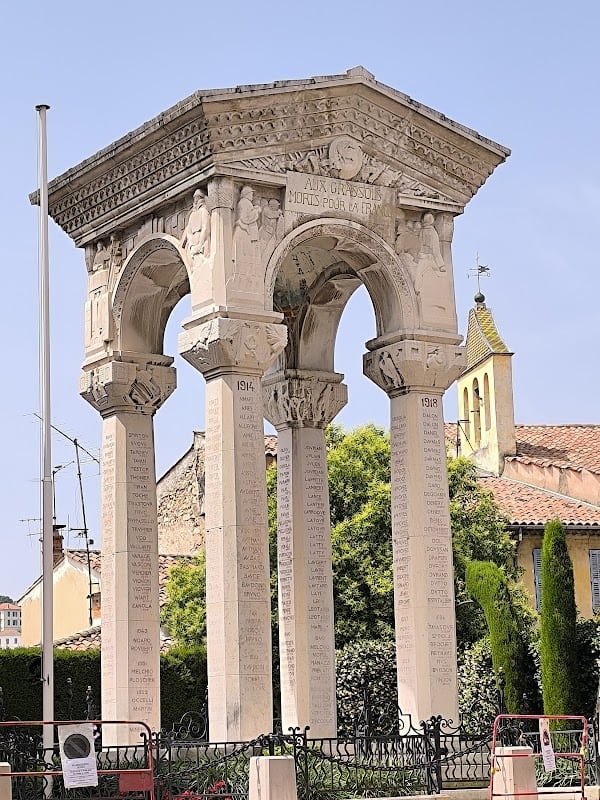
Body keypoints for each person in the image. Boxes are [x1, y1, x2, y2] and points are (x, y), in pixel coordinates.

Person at [181, 189, 211, 266]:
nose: (196, 200)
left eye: (197, 197)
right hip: (193, 242)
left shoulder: (204, 211)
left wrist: (200, 244)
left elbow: (205, 228)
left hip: (202, 240)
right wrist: (191, 245)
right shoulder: (192, 215)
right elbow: (189, 232)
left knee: (203, 264)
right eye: (194, 198)